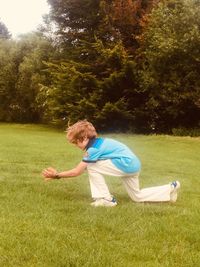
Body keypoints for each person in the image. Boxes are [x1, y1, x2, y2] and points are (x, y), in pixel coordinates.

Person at [42, 120, 180, 207]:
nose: (74, 145)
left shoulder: (93, 149)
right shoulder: (99, 143)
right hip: (133, 165)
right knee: (137, 197)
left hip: (126, 164)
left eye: (75, 142)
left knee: (91, 166)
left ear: (83, 138)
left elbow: (77, 171)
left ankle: (106, 199)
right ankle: (170, 188)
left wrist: (57, 175)